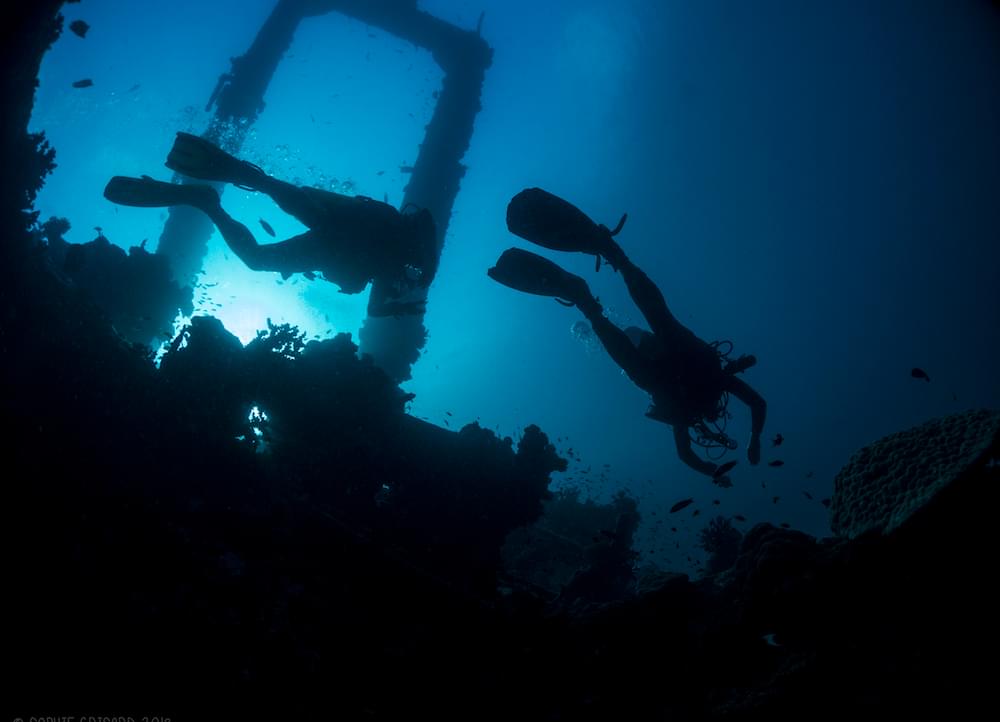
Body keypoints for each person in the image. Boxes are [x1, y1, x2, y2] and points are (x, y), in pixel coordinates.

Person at [488, 188, 766, 482]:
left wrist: (730, 458)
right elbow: (755, 405)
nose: (711, 413)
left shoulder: (695, 406)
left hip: (659, 366)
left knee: (646, 331)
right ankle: (598, 279)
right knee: (647, 326)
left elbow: (695, 448)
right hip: (677, 358)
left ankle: (600, 274)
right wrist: (750, 442)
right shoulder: (713, 388)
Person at [104, 132, 435, 316]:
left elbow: (350, 214)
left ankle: (245, 178)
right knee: (257, 259)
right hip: (335, 243)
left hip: (336, 222)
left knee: (274, 190)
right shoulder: (400, 260)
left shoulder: (395, 230)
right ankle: (209, 202)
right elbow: (375, 305)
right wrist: (404, 308)